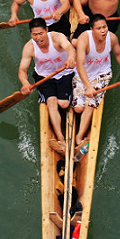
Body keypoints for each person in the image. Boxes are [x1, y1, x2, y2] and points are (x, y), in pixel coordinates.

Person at [72, 14, 120, 147]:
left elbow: (119, 54)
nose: (103, 31)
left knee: (91, 103)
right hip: (82, 74)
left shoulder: (112, 38)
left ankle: (79, 136)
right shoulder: (84, 39)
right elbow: (80, 65)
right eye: (99, 28)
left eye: (104, 27)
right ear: (91, 29)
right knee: (78, 109)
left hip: (102, 74)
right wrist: (88, 86)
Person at [17, 18, 76, 149]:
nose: (38, 38)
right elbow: (22, 70)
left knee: (64, 104)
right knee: (51, 102)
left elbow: (70, 48)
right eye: (34, 35)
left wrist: (71, 58)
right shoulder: (29, 47)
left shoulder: (57, 38)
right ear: (31, 34)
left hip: (64, 73)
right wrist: (25, 83)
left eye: (40, 33)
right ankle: (60, 139)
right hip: (44, 77)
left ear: (47, 30)